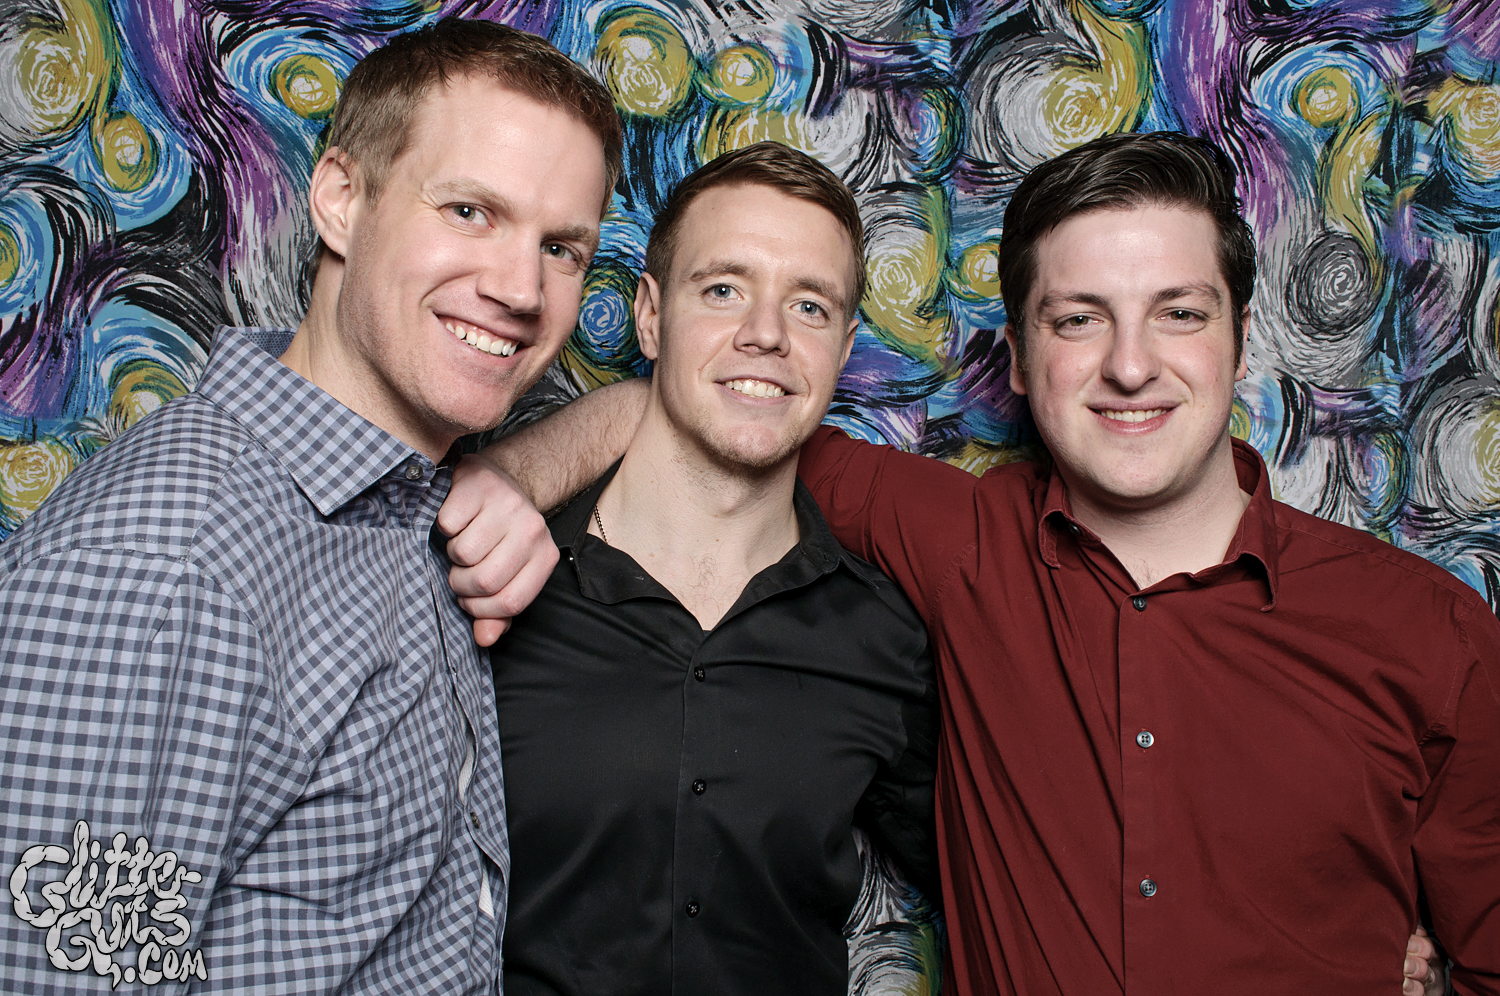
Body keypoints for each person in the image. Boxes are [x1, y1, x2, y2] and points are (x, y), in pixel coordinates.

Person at [443, 132, 1482, 994]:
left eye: (1179, 313)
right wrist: (508, 480)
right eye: (1079, 320)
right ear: (1018, 358)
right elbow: (713, 410)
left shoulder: (1430, 633)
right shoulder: (956, 542)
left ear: (1242, 341)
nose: (1130, 364)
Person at [0, 18, 617, 993]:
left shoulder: (400, 499)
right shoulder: (164, 565)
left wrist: (525, 471)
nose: (520, 288)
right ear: (340, 200)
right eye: (469, 211)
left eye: (563, 249)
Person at [490, 142, 939, 996]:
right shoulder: (498, 585)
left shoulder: (885, 639)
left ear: (844, 348)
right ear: (650, 317)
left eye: (808, 306)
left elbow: (1005, 878)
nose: (765, 334)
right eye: (724, 289)